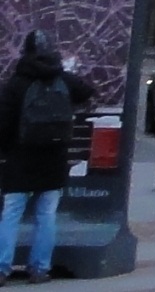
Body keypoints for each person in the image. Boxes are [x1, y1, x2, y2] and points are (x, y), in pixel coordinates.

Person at [0, 32, 90, 282]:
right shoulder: (62, 78)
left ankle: (2, 267)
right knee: (46, 215)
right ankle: (39, 268)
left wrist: (6, 150)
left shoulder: (17, 83)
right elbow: (86, 91)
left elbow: (4, 123)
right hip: (54, 158)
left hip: (20, 158)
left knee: (11, 214)